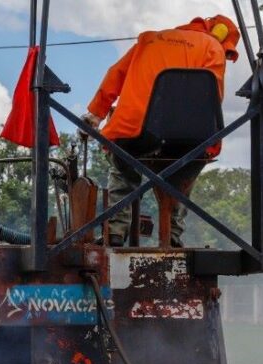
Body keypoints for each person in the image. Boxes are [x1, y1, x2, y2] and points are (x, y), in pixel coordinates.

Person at [82, 15, 239, 247]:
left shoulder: (149, 40)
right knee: (181, 176)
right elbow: (211, 96)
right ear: (221, 35)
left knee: (123, 172)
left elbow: (115, 74)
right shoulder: (212, 46)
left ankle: (114, 231)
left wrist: (96, 114)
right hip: (185, 135)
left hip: (134, 130)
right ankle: (172, 237)